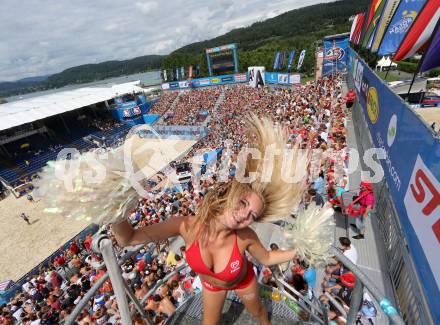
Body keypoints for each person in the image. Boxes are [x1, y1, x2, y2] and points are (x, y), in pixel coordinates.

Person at [112, 116, 305, 325]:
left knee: (258, 312)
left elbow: (266, 257)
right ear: (232, 192)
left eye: (252, 216)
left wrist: (300, 250)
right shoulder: (185, 225)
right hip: (212, 286)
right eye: (243, 203)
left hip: (243, 281)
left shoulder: (245, 236)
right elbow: (128, 239)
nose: (244, 215)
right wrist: (113, 209)